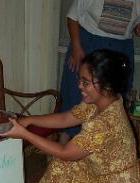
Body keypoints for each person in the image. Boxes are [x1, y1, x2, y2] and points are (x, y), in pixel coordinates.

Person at [1, 49, 140, 183]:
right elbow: (66, 118)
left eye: (86, 82)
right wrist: (30, 120)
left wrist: (25, 134)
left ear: (106, 85)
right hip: (102, 172)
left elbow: (67, 152)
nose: (79, 86)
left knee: (64, 164)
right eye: (79, 79)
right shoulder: (101, 101)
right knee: (62, 170)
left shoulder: (106, 121)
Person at [59, 0, 140, 144]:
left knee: (112, 98)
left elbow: (136, 26)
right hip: (89, 45)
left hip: (120, 49)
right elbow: (72, 17)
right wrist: (76, 47)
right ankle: (63, 144)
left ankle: (103, 145)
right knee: (77, 94)